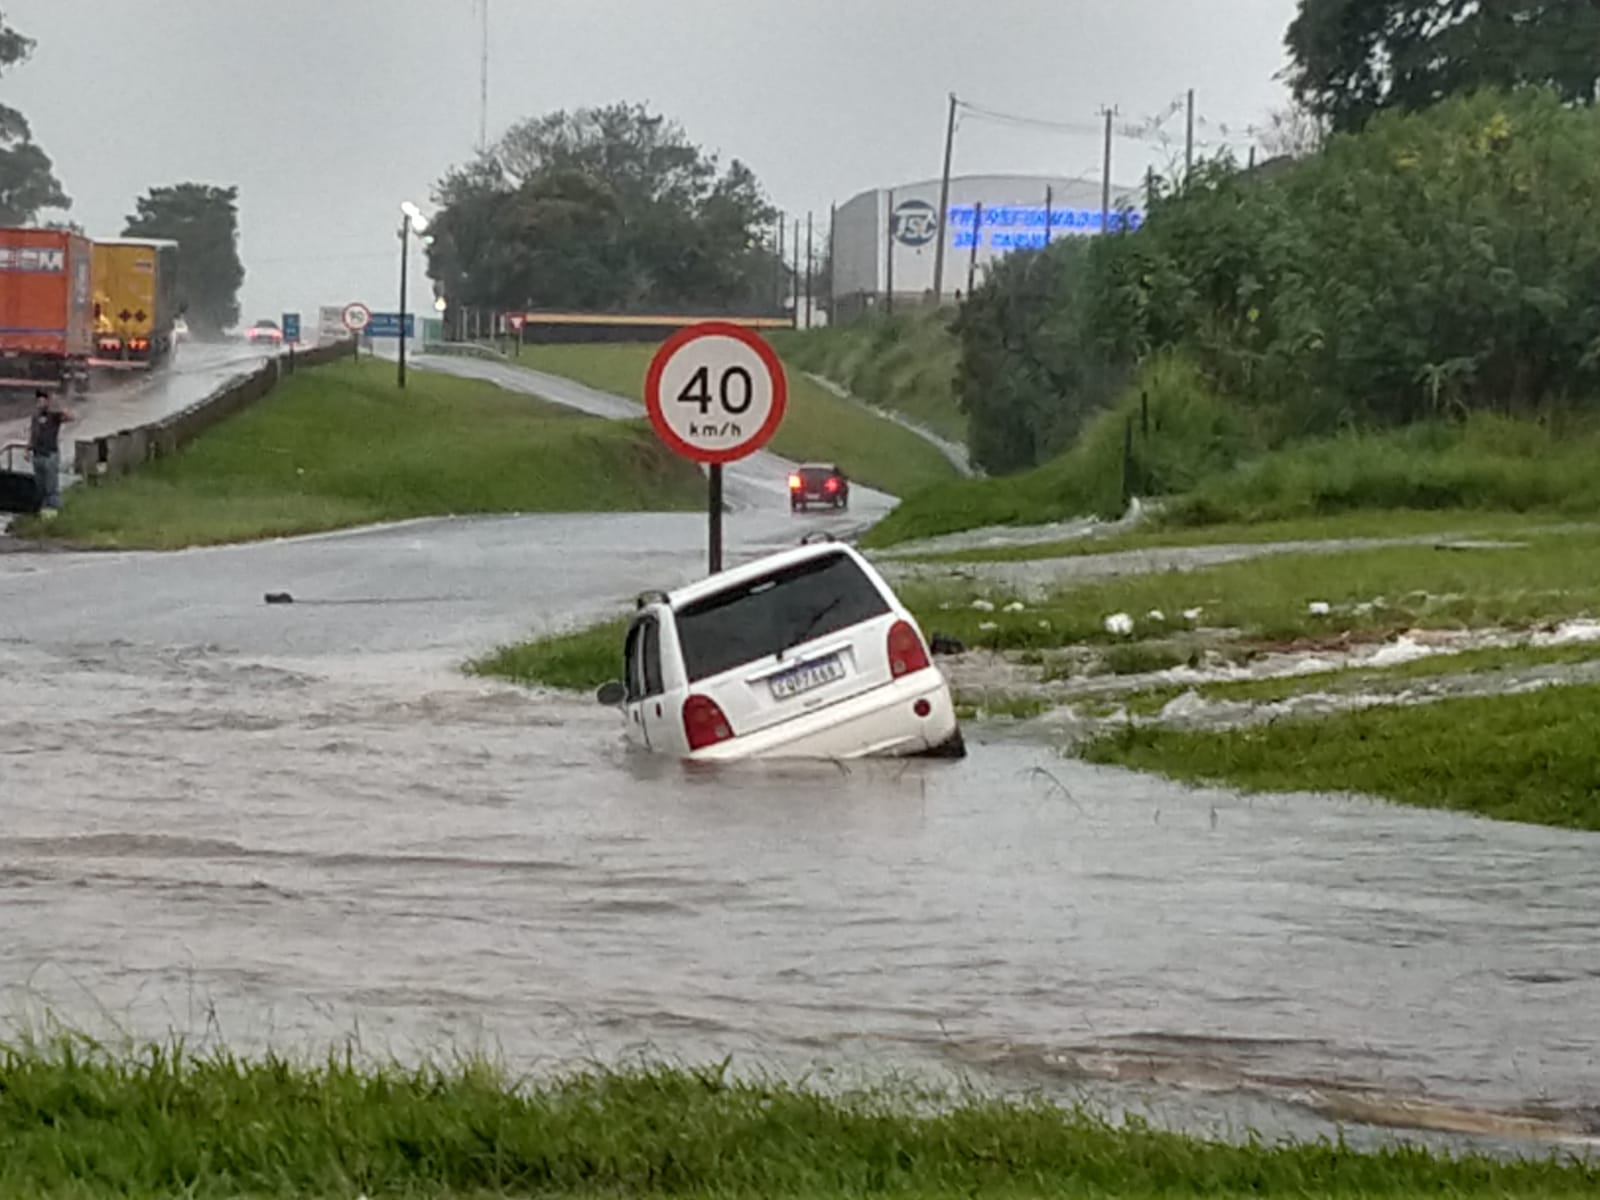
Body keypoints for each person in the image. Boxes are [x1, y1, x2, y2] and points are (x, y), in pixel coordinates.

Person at [28, 388, 73, 517]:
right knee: (40, 486)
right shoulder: (35, 416)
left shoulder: (54, 415)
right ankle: (42, 512)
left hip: (50, 455)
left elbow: (70, 417)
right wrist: (28, 449)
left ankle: (54, 512)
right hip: (37, 455)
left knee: (51, 486)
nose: (40, 403)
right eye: (38, 400)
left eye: (43, 400)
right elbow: (33, 434)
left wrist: (59, 405)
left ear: (47, 401)